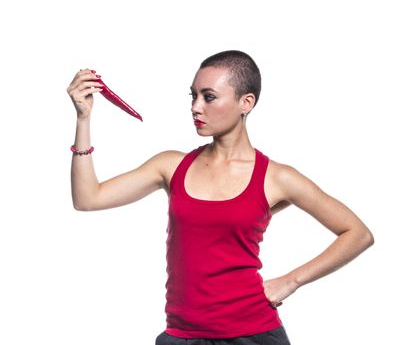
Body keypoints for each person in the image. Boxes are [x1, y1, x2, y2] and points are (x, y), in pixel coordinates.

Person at [67, 50, 374, 345]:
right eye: (193, 95)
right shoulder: (171, 166)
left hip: (254, 334)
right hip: (182, 336)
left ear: (246, 102)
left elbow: (357, 233)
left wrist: (290, 281)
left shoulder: (276, 177)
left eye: (209, 96)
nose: (195, 107)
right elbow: (88, 198)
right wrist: (84, 119)